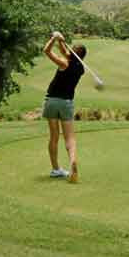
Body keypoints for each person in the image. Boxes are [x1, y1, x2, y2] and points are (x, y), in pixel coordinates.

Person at [42, 31, 86, 183]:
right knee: (70, 138)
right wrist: (62, 40)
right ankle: (72, 161)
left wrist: (54, 38)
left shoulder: (64, 63)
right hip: (66, 103)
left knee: (54, 136)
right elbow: (65, 52)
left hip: (51, 101)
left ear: (72, 53)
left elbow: (46, 51)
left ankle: (55, 169)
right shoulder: (80, 68)